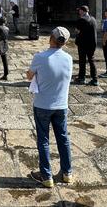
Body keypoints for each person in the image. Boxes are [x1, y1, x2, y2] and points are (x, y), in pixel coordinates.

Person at [27, 26, 73, 188]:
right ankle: (67, 173)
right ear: (65, 43)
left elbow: (29, 75)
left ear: (50, 39)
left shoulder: (40, 57)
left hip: (42, 105)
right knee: (63, 138)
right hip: (61, 105)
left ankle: (46, 176)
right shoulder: (68, 58)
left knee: (43, 140)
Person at [73, 5, 98, 86]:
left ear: (83, 11)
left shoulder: (81, 20)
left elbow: (77, 31)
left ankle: (81, 78)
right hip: (92, 43)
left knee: (82, 61)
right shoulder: (93, 19)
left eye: (79, 10)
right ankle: (95, 79)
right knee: (91, 60)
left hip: (83, 43)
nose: (79, 12)